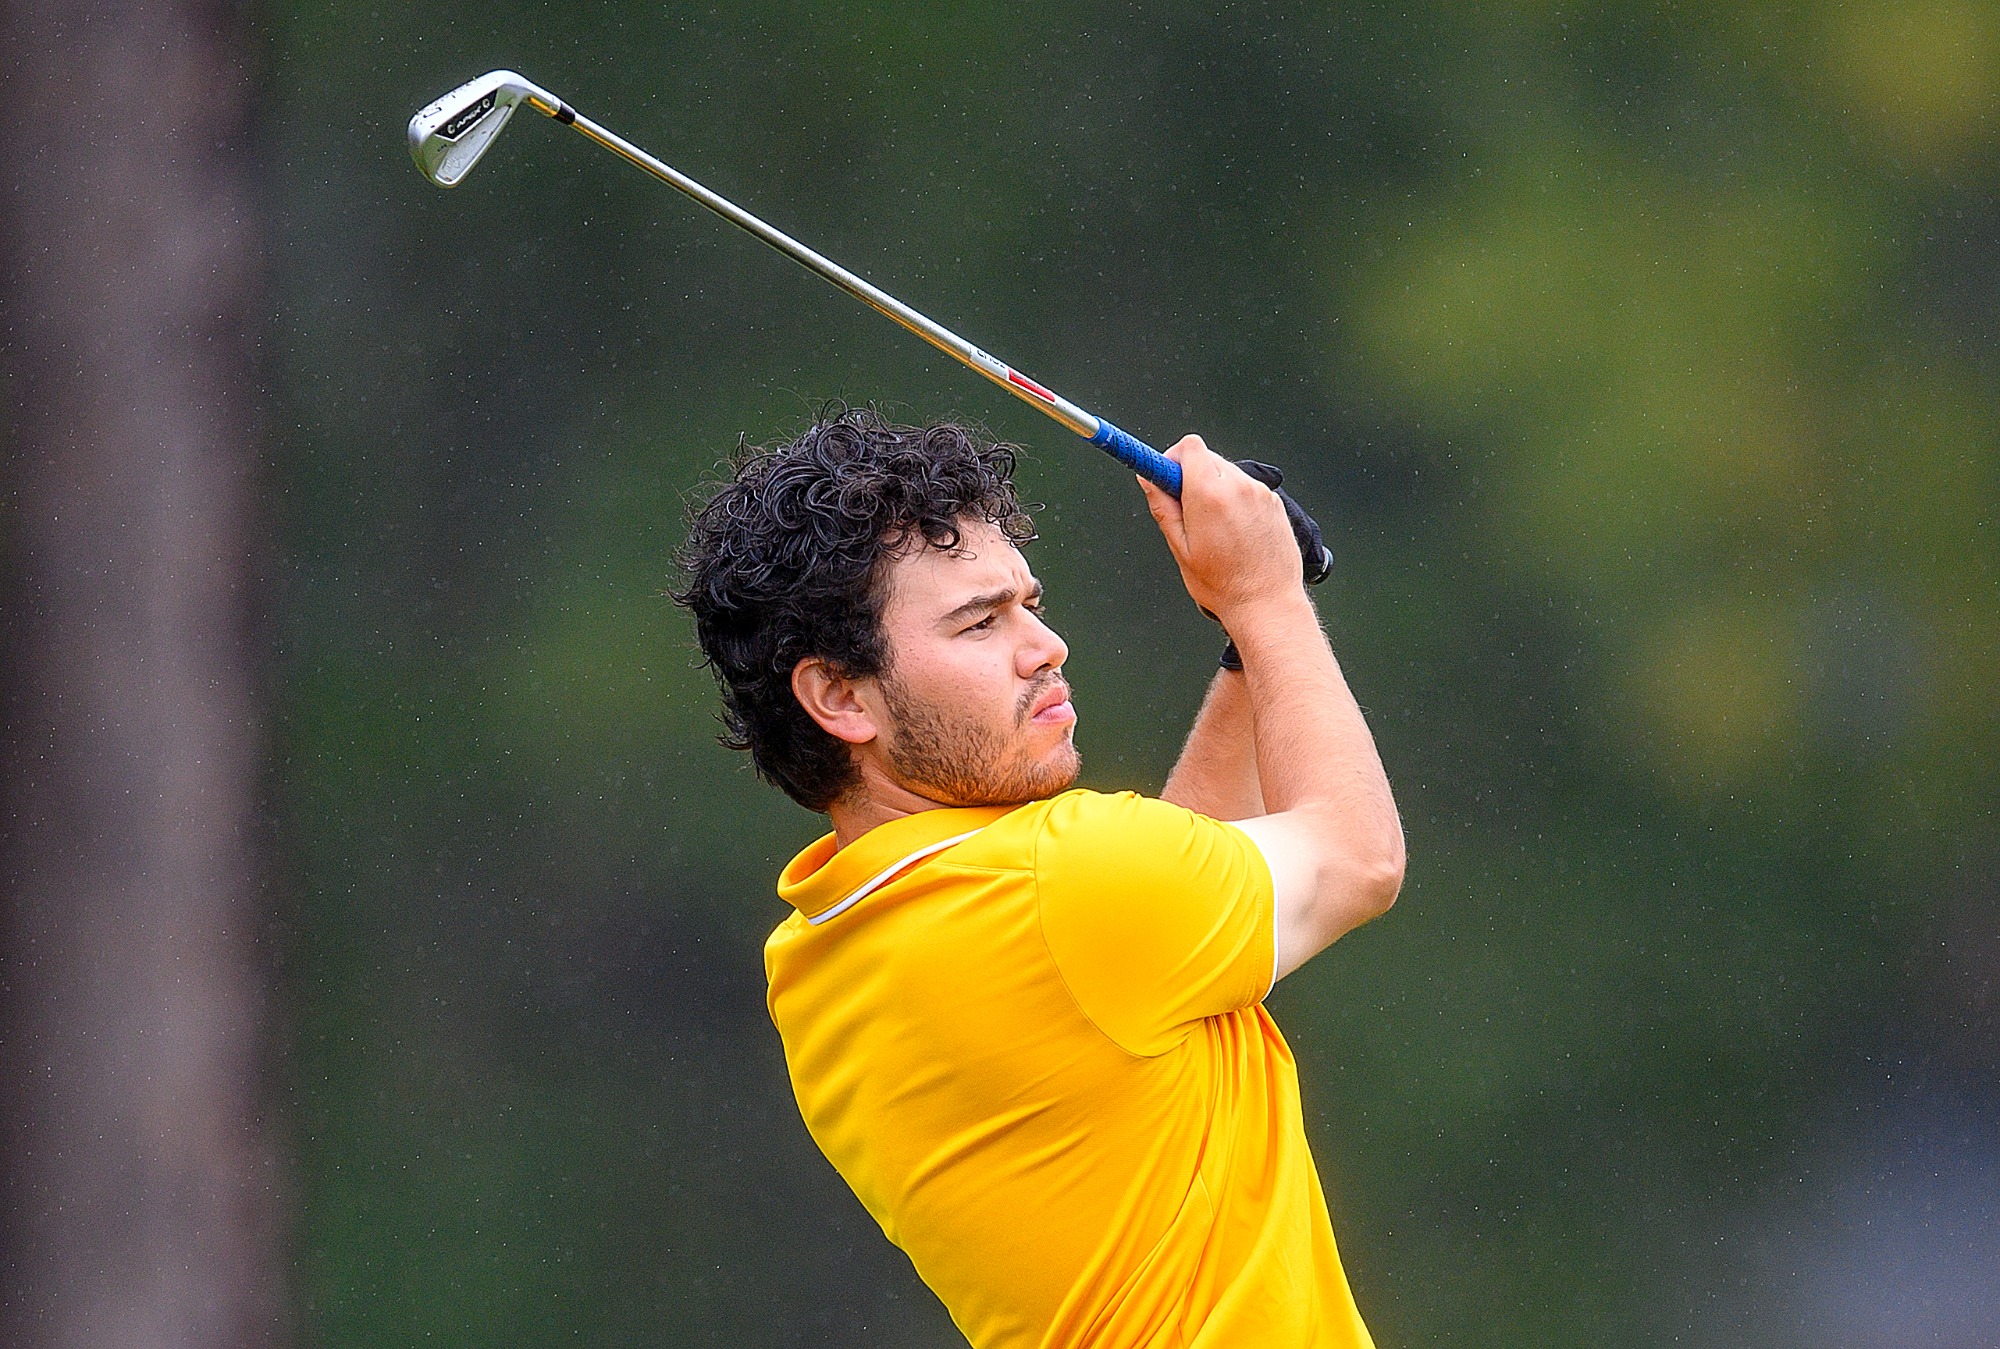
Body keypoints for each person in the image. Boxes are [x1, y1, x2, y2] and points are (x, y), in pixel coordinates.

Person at [676, 407, 1404, 1348]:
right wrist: (1267, 602)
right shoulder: (1061, 881)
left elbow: (1160, 918)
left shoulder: (818, 955)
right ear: (839, 696)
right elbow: (1359, 858)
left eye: (1029, 602)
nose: (1045, 644)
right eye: (979, 622)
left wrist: (1245, 648)